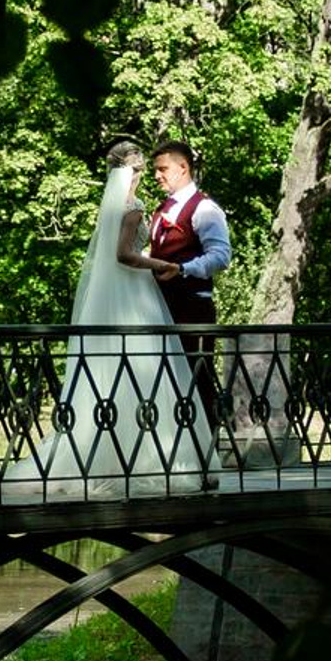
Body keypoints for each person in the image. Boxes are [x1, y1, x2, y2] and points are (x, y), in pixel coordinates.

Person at [0, 139, 209, 496]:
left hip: (117, 296)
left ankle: (107, 458)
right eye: (145, 171)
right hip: (136, 295)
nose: (148, 177)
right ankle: (145, 459)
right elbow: (125, 254)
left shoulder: (109, 206)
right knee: (147, 372)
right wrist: (164, 264)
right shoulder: (134, 205)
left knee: (114, 372)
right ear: (135, 172)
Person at [123, 137, 231, 458]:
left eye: (163, 169)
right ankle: (171, 455)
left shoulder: (205, 208)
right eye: (156, 170)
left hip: (192, 308)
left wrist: (181, 269)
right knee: (165, 384)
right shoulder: (161, 209)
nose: (157, 175)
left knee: (198, 381)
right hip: (159, 309)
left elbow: (221, 256)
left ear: (183, 168)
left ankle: (204, 458)